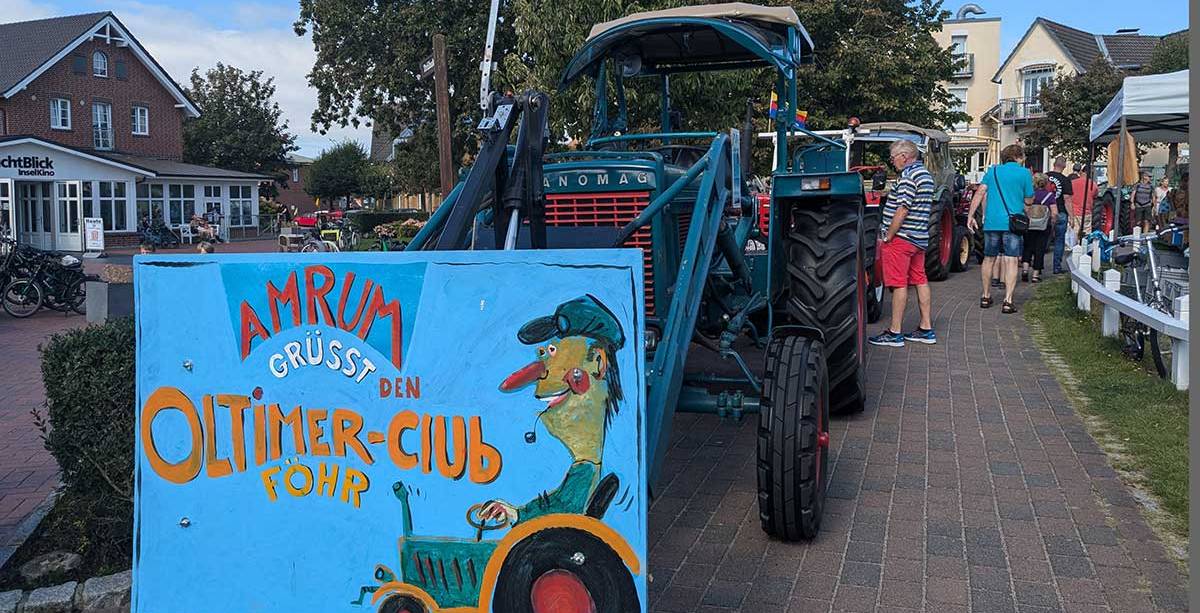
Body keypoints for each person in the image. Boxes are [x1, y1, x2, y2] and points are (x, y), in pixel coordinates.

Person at [868, 140, 936, 348]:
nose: (893, 161)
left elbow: (903, 208)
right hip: (919, 237)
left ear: (904, 156)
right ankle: (926, 328)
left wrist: (889, 235)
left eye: (893, 157)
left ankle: (895, 332)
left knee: (899, 284)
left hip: (901, 239)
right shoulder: (925, 175)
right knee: (920, 279)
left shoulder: (907, 176)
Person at [968, 143, 1034, 314]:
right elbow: (1028, 201)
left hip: (991, 223)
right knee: (1011, 260)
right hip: (1012, 224)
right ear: (1019, 157)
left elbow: (980, 192)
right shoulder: (1024, 173)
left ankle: (985, 295)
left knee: (989, 259)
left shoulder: (993, 171)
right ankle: (1008, 300)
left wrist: (970, 215)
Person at [1020, 174, 1057, 283]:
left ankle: (1025, 270)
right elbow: (1054, 213)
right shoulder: (1049, 196)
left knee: (1027, 247)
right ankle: (1035, 275)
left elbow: (1024, 209)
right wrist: (1052, 223)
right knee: (1039, 249)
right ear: (1046, 183)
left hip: (1029, 225)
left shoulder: (1029, 195)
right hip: (1043, 226)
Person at [1046, 157, 1074, 273]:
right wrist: (1071, 217)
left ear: (1054, 164)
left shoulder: (1045, 176)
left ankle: (1036, 267)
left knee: (1041, 239)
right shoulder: (1065, 180)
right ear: (1064, 166)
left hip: (1044, 213)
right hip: (1060, 211)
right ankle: (1057, 267)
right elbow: (1067, 199)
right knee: (1059, 240)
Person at [1070, 164, 1098, 237]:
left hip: (1074, 212)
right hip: (1087, 212)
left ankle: (1073, 248)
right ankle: (1085, 248)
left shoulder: (1072, 183)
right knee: (1087, 234)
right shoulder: (1093, 185)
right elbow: (1095, 196)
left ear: (1082, 172)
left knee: (1074, 233)